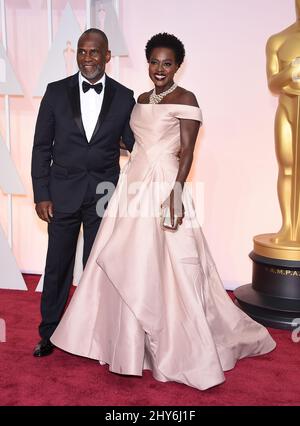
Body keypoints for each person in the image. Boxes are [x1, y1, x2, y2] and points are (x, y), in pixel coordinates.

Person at [51, 33, 276, 390]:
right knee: (125, 259)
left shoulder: (186, 99)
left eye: (167, 63)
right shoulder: (140, 99)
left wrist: (175, 192)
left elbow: (187, 152)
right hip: (132, 184)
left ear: (178, 66)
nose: (160, 69)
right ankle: (126, 344)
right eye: (154, 62)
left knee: (165, 265)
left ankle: (176, 346)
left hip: (162, 185)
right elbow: (129, 141)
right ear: (148, 63)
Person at [31, 28, 135, 357]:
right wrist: (41, 193)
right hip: (61, 192)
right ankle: (49, 333)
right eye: (81, 52)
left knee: (99, 266)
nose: (87, 58)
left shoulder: (124, 96)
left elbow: (134, 144)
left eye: (94, 52)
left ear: (107, 56)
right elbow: (40, 148)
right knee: (57, 265)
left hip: (104, 192)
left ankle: (95, 335)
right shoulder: (55, 92)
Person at [266, 0, 300, 244]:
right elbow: (273, 83)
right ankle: (288, 226)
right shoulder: (278, 40)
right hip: (286, 109)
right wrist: (290, 73)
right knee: (286, 167)